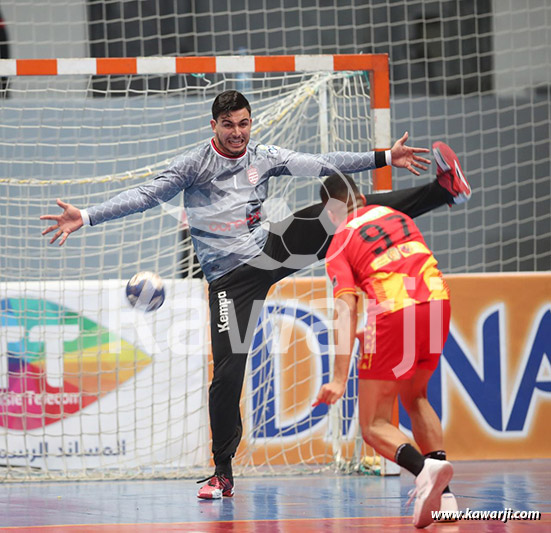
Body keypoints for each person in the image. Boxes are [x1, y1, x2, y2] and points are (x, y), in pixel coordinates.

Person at [40, 90, 471, 500]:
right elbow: (146, 195)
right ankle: (222, 473)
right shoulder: (194, 165)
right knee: (228, 374)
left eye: (244, 124)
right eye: (228, 125)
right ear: (214, 126)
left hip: (269, 248)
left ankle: (442, 191)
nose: (237, 133)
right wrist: (89, 216)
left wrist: (384, 156)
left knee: (344, 214)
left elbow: (324, 163)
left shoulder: (264, 157)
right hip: (229, 282)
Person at [313, 146, 467, 528]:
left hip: (394, 313)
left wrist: (336, 377)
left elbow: (347, 309)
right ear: (362, 199)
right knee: (415, 396)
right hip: (437, 302)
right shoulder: (396, 214)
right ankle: (445, 499)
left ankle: (424, 470)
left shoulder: (338, 243)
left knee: (373, 425)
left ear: (331, 214)